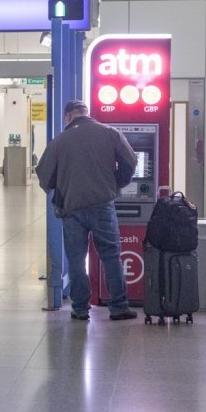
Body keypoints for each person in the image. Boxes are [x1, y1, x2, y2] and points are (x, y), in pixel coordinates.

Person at [35, 100, 138, 322]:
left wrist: (60, 189)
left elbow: (44, 175)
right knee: (111, 256)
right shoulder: (110, 133)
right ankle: (118, 307)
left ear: (68, 117)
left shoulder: (60, 141)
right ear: (86, 113)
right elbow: (131, 160)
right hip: (103, 205)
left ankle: (80, 309)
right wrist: (116, 183)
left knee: (76, 259)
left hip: (72, 209)